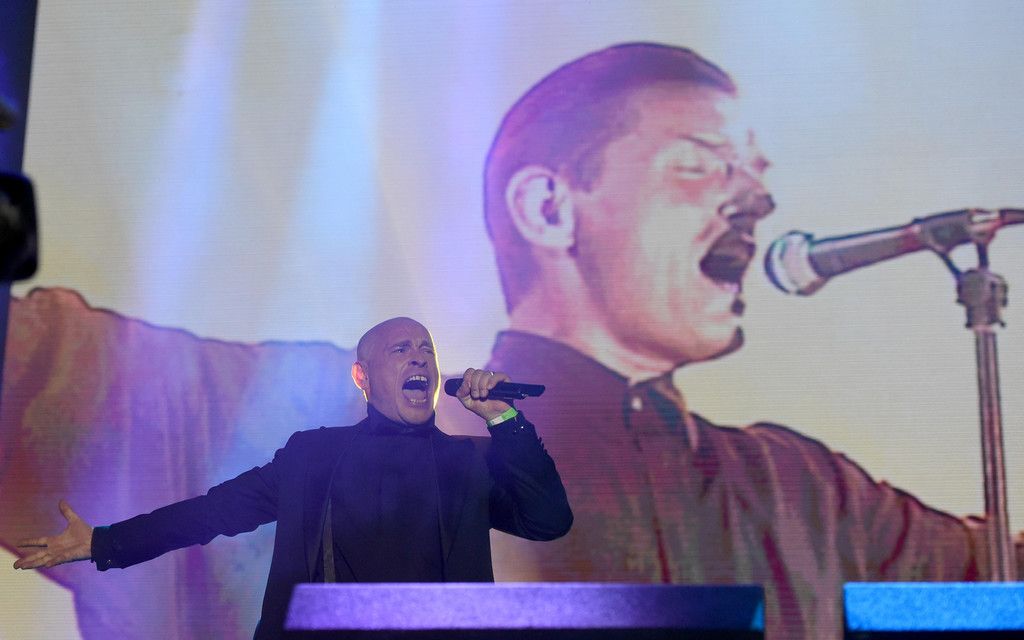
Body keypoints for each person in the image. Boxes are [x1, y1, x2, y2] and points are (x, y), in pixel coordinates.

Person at [432, 42, 1015, 640]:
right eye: (698, 166)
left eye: (755, 175)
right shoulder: (429, 454)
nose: (759, 202)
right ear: (548, 209)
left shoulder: (801, 488)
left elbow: (995, 577)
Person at [12, 317, 573, 640]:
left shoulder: (469, 462)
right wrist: (104, 542)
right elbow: (212, 512)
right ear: (361, 375)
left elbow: (548, 520)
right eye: (401, 349)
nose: (419, 358)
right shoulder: (314, 456)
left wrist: (504, 419)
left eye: (427, 348)